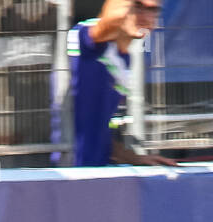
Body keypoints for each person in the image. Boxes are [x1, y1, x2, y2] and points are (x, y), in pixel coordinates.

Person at [67, 0, 177, 167]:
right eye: (137, 6)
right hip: (66, 174)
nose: (145, 17)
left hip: (99, 173)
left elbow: (99, 130)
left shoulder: (125, 59)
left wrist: (134, 158)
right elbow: (104, 27)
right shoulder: (85, 36)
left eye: (153, 10)